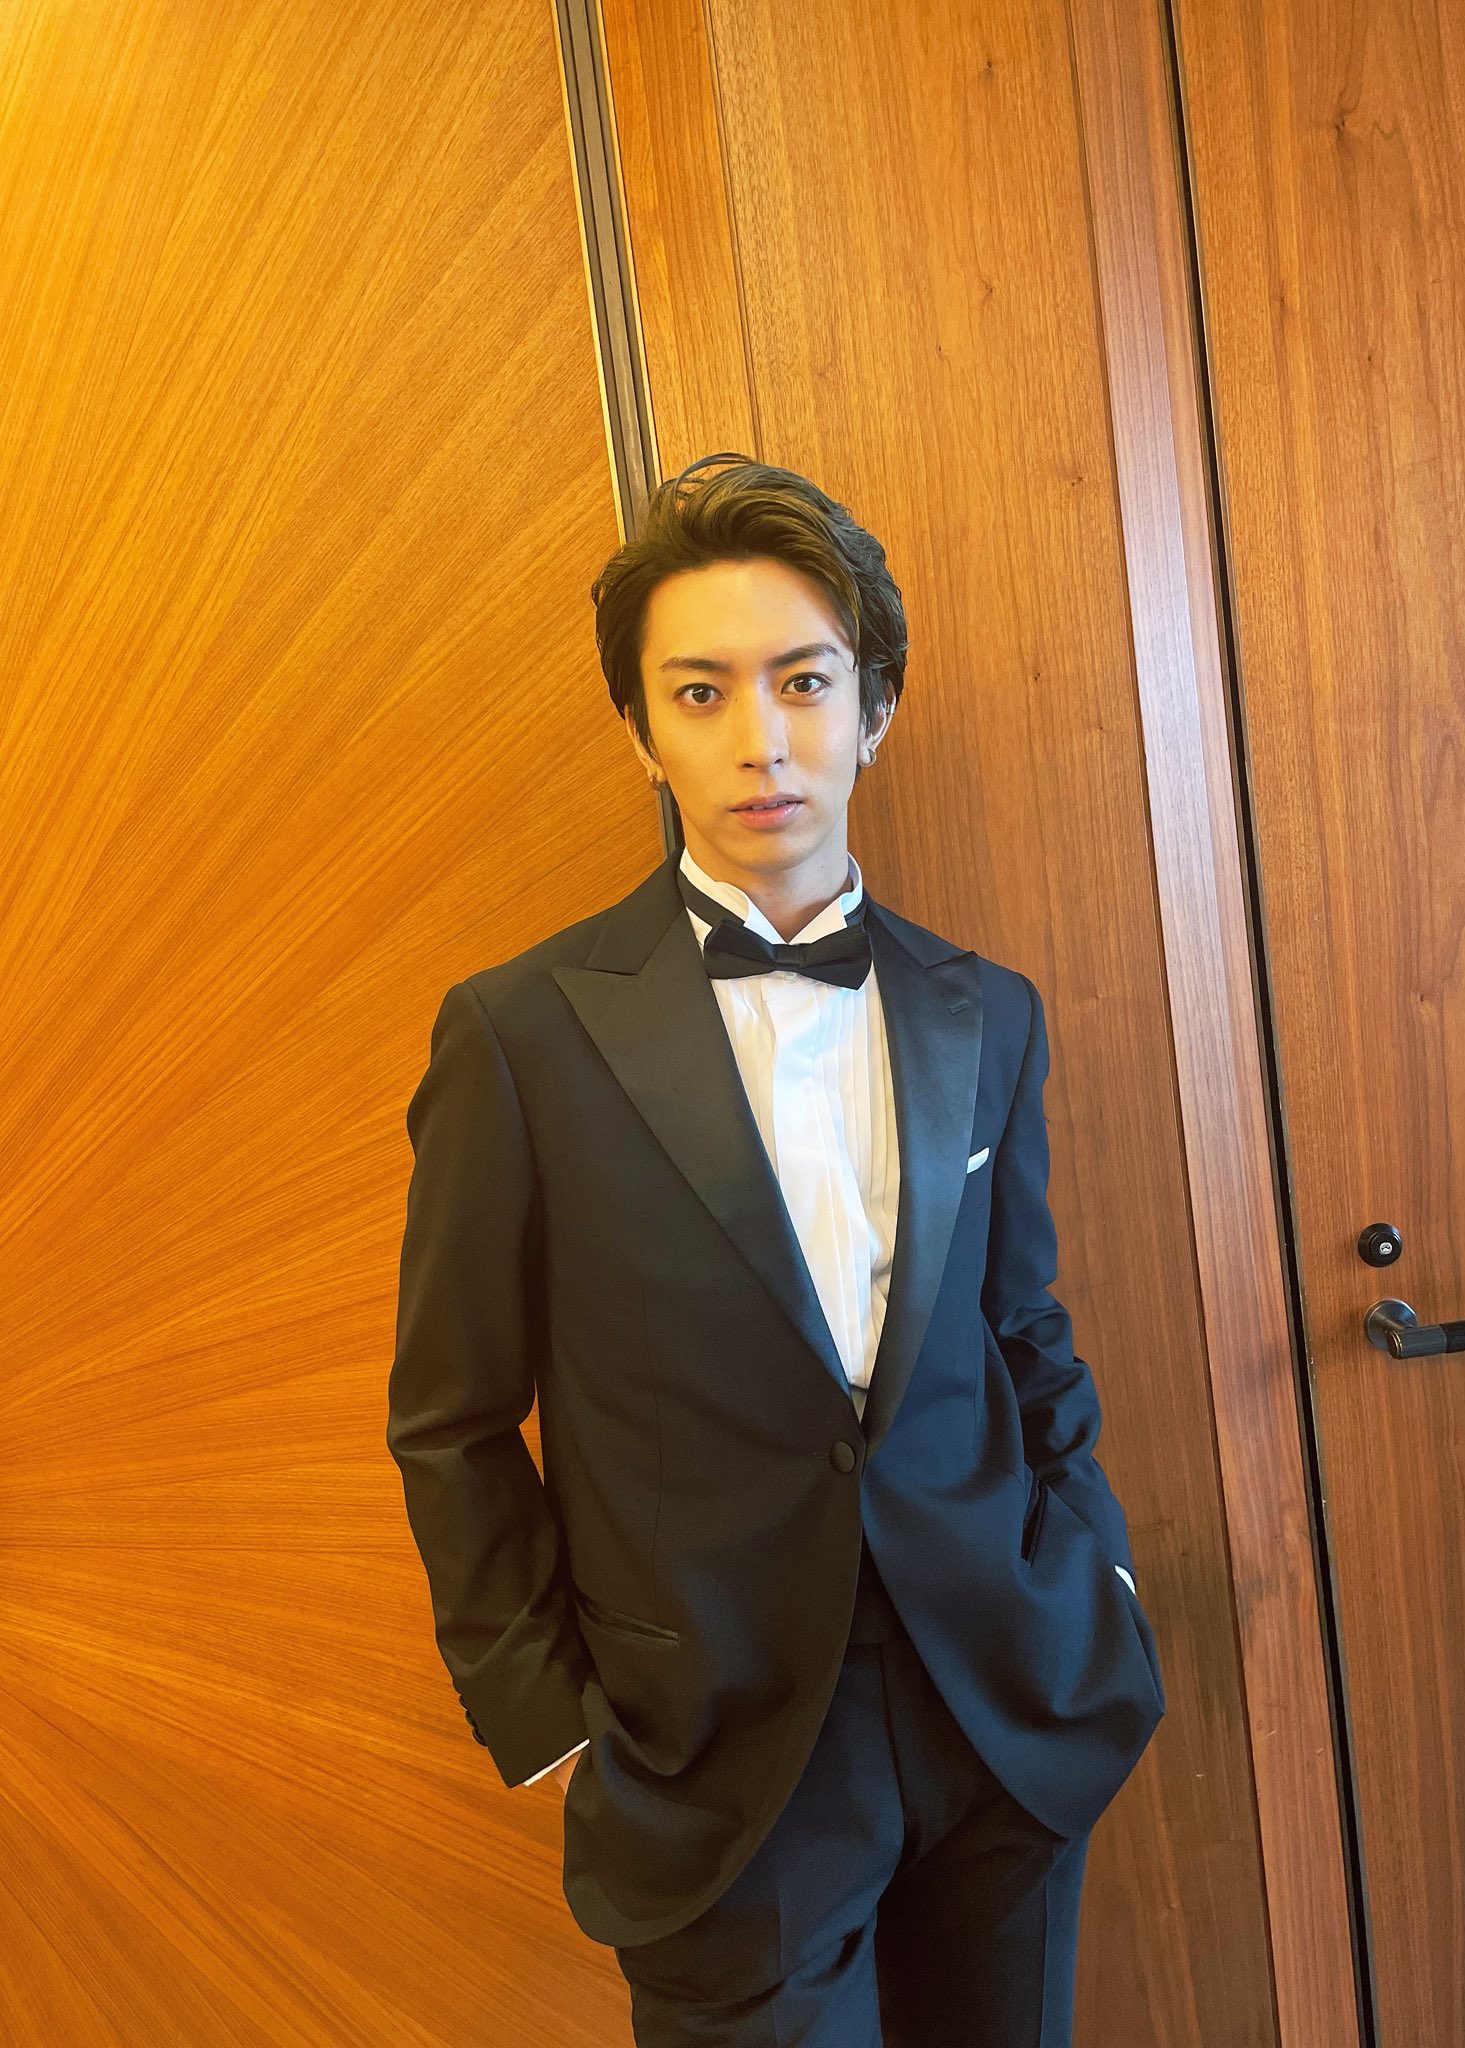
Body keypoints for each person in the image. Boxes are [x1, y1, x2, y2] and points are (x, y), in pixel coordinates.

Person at [386, 452, 1164, 2046]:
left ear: (873, 707)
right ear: (641, 729)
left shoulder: (984, 1011)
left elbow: (1023, 1330)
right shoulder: (521, 1037)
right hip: (716, 1755)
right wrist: (548, 1720)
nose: (761, 739)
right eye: (701, 692)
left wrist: (1099, 1574)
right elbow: (451, 1417)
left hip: (1003, 1699)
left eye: (805, 682)